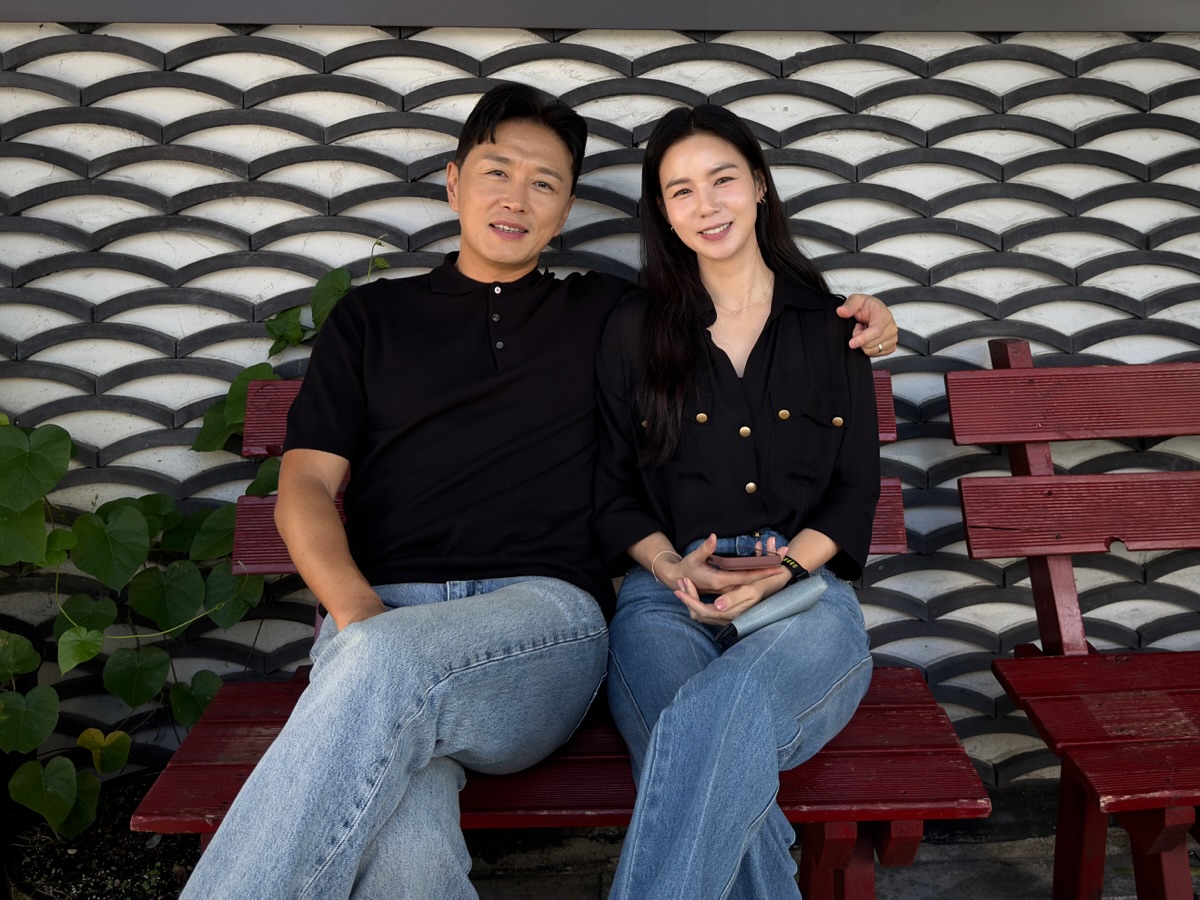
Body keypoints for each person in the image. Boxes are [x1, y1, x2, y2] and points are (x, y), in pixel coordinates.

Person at [180, 85, 896, 900]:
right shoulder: (371, 318)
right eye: (497, 172)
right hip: (380, 622)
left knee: (392, 675)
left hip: (539, 622)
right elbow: (305, 484)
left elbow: (739, 313)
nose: (516, 198)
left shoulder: (607, 315)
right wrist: (361, 616)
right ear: (453, 182)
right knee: (407, 841)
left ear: (565, 211)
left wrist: (869, 318)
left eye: (544, 183)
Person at [594, 104, 881, 900]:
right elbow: (612, 492)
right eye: (680, 191)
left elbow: (855, 490)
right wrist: (668, 565)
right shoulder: (632, 330)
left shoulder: (835, 327)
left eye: (722, 179)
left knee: (709, 719)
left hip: (804, 598)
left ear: (758, 184)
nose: (707, 205)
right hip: (666, 597)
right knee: (712, 749)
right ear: (663, 211)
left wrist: (782, 572)